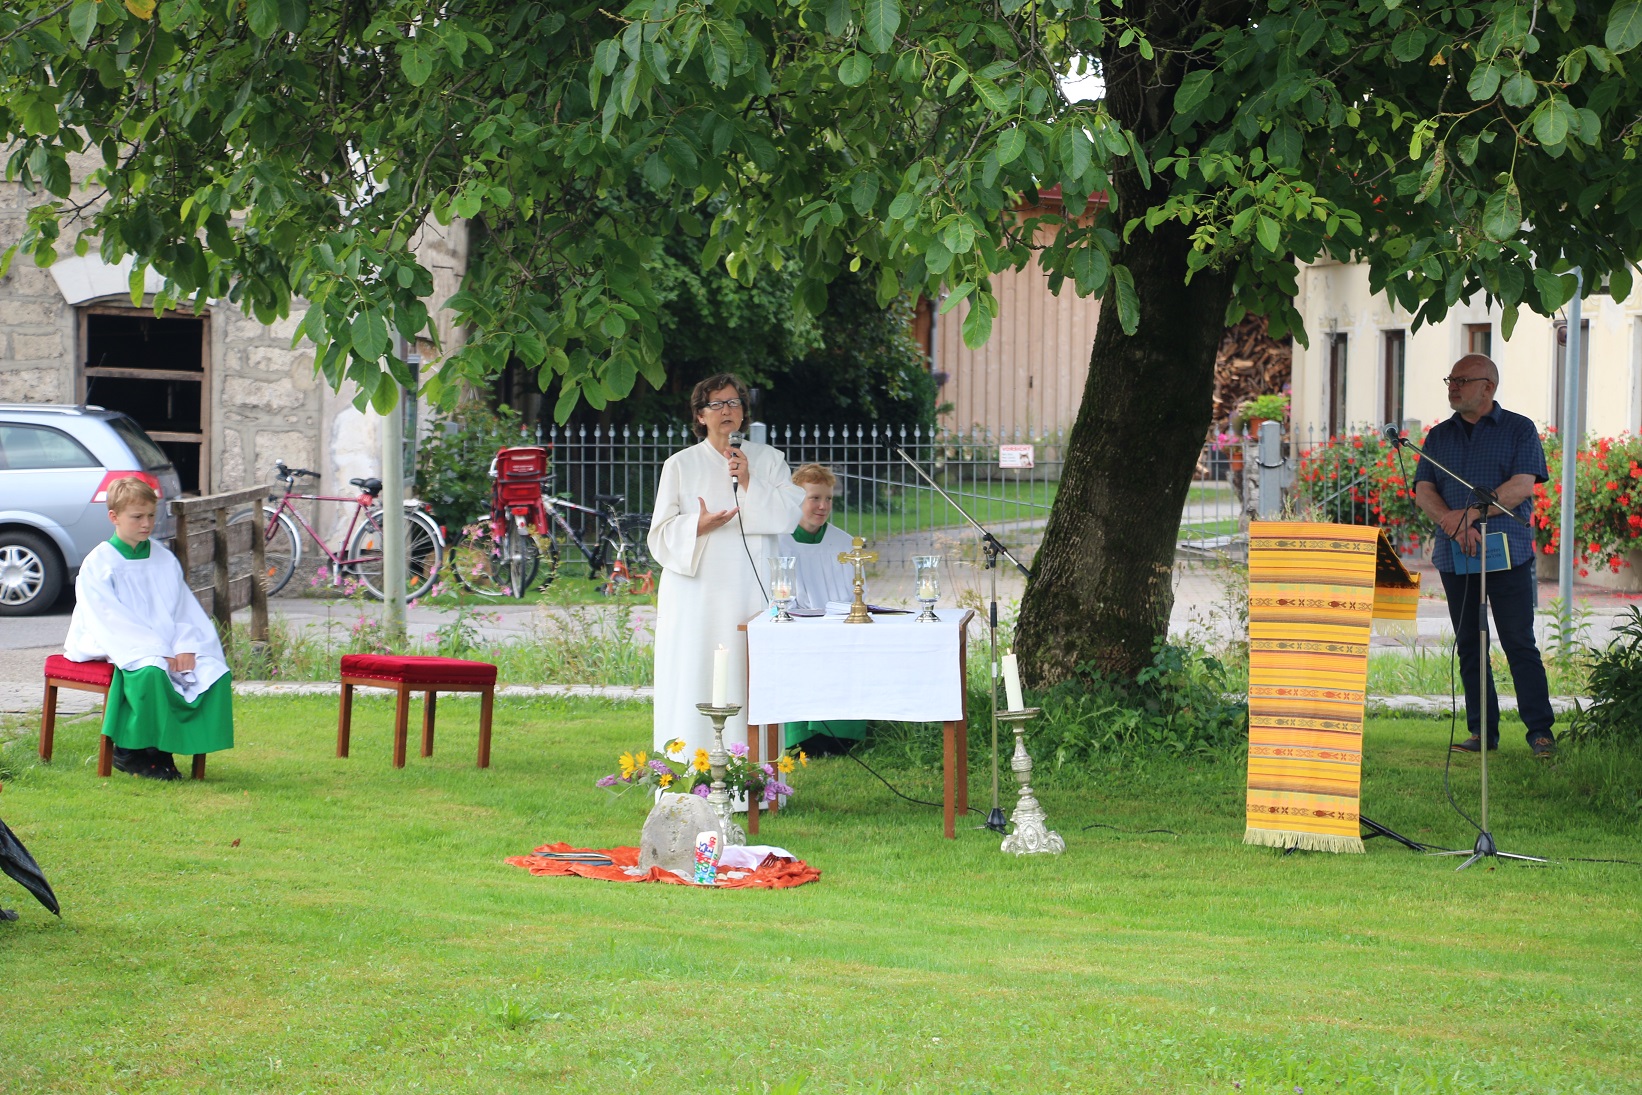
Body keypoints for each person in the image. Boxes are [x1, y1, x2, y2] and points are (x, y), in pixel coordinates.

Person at [648, 374, 803, 755]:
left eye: (733, 402)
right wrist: (696, 526)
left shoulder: (769, 460)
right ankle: (690, 763)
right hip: (697, 595)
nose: (726, 410)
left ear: (744, 412)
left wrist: (749, 481)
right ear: (700, 416)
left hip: (750, 590)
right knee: (696, 670)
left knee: (749, 674)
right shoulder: (679, 465)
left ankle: (757, 769)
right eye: (716, 404)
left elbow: (788, 518)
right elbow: (659, 536)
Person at [1413, 353, 1556, 758]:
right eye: (1450, 380)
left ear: (1488, 387)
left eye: (1462, 380)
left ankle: (1540, 732)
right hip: (1456, 555)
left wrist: (1470, 515)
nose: (1453, 387)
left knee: (1518, 642)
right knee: (1469, 645)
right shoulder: (1439, 436)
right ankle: (1482, 732)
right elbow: (1424, 490)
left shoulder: (1518, 429)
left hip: (1508, 554)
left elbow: (1521, 486)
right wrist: (1453, 524)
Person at [63, 477, 235, 780]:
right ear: (114, 517)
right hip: (111, 638)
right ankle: (133, 752)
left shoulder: (163, 558)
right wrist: (157, 649)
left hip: (165, 640)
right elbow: (108, 617)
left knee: (213, 671)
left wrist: (185, 645)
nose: (147, 524)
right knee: (152, 670)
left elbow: (183, 609)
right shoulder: (99, 562)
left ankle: (168, 747)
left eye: (151, 515)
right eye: (137, 517)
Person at [776, 464, 867, 754]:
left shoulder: (844, 543)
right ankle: (801, 738)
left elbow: (858, 593)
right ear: (796, 500)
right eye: (814, 498)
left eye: (828, 498)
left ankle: (841, 736)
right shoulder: (777, 541)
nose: (823, 506)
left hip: (837, 627)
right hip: (794, 627)